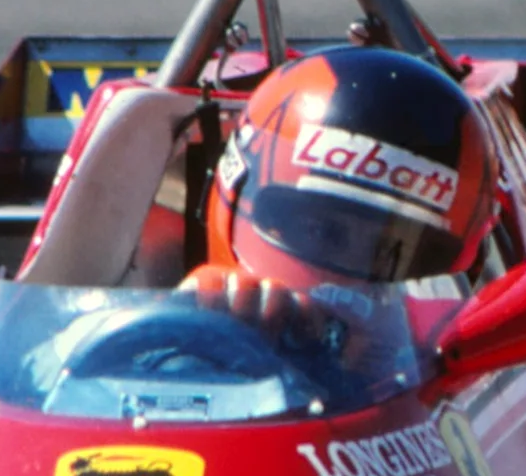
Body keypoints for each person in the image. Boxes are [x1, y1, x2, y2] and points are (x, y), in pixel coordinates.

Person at [187, 46, 499, 334]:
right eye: (323, 233)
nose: (348, 285)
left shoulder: (452, 339)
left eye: (391, 253)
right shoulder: (179, 331)